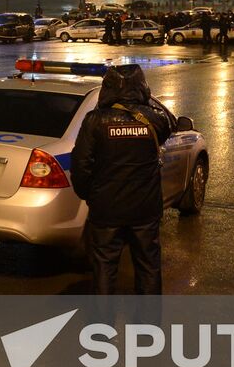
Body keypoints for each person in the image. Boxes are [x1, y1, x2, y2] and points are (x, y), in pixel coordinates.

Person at [70, 63, 175, 295]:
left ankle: (101, 328)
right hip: (145, 209)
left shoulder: (95, 121)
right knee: (148, 267)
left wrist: (91, 196)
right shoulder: (154, 120)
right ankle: (148, 328)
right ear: (142, 88)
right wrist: (146, 101)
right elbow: (171, 120)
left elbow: (80, 166)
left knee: (104, 269)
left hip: (107, 209)